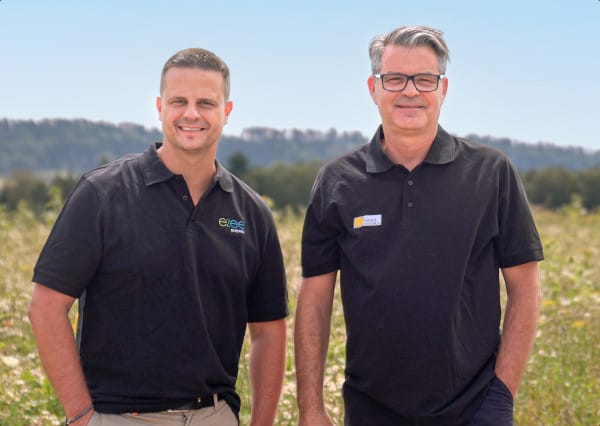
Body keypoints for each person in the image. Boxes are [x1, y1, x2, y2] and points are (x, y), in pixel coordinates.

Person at [295, 26, 543, 426]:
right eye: (394, 78)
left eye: (424, 79)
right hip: (369, 411)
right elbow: (315, 300)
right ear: (373, 88)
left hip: (474, 411)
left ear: (443, 88)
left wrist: (501, 394)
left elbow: (526, 288)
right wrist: (310, 408)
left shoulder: (491, 173)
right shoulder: (337, 181)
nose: (409, 91)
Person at [28, 48, 288, 426]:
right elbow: (46, 306)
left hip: (214, 415)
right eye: (179, 101)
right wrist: (82, 416)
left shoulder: (252, 213)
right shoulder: (103, 194)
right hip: (119, 417)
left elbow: (269, 331)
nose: (191, 114)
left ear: (227, 111)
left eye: (206, 103)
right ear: (160, 107)